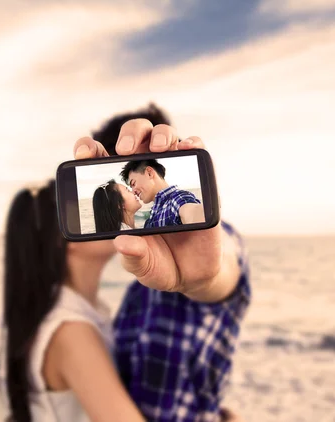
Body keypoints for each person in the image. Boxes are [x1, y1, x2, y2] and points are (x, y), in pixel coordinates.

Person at [75, 103, 252, 422]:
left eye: (130, 180)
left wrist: (204, 280)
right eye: (124, 186)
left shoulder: (207, 231)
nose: (132, 190)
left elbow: (222, 268)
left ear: (151, 169)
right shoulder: (140, 280)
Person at [0, 181, 146, 422]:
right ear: (65, 237)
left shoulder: (85, 311)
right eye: (98, 209)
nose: (114, 214)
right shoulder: (72, 332)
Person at [119, 159, 205, 227]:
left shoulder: (177, 199)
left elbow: (194, 212)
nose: (133, 191)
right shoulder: (152, 216)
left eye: (133, 183)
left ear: (149, 173)